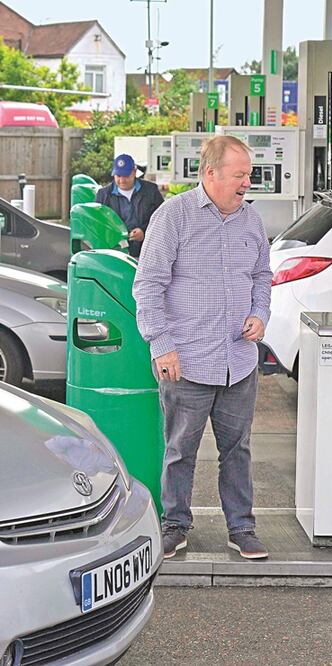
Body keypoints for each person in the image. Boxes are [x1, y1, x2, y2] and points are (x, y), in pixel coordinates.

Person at [133, 135, 272, 560]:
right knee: (180, 451)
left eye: (248, 174)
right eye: (240, 175)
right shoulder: (173, 216)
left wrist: (259, 314)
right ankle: (175, 525)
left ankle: (241, 528)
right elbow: (148, 285)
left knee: (238, 449)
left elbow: (263, 276)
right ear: (210, 173)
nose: (247, 182)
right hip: (186, 361)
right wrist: (162, 345)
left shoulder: (252, 220)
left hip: (238, 361)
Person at [94, 153, 164, 258]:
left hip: (147, 253)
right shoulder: (103, 195)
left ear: (134, 172)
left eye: (126, 176)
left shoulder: (151, 191)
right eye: (118, 176)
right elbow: (98, 225)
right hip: (115, 254)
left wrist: (145, 232)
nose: (122, 180)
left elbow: (163, 219)